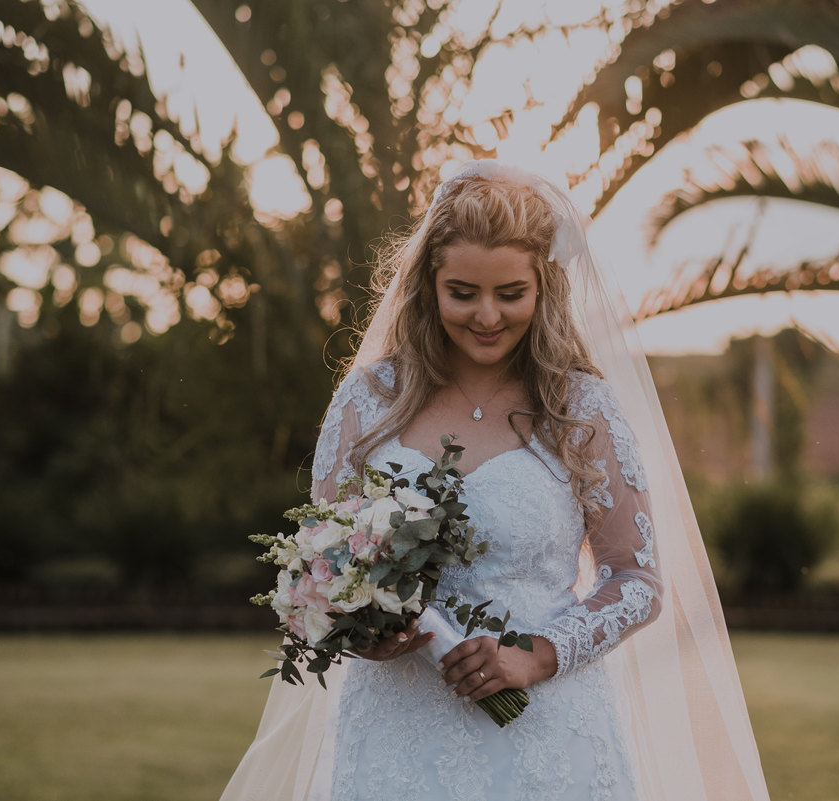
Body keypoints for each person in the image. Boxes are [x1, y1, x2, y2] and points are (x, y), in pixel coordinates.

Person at [222, 161, 771, 801]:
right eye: (463, 292)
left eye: (511, 293)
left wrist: (538, 653)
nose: (487, 315)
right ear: (428, 285)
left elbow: (636, 580)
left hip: (549, 728)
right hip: (399, 729)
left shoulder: (579, 409)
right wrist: (359, 631)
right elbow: (325, 563)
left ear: (543, 288)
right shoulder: (369, 401)